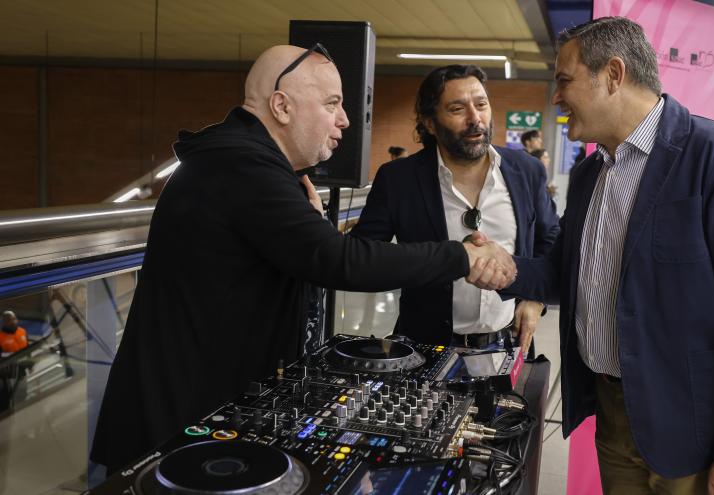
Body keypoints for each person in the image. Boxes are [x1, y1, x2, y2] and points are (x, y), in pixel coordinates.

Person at [90, 44, 515, 475]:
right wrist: (460, 255)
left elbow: (305, 256)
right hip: (176, 425)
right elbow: (336, 260)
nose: (346, 119)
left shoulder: (252, 164)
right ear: (281, 106)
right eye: (332, 103)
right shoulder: (242, 165)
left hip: (204, 410)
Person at [476, 17, 714, 494]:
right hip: (614, 419)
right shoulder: (590, 175)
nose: (557, 97)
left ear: (614, 74)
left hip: (696, 431)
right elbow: (570, 275)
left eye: (564, 80)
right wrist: (507, 268)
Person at [351, 65, 558, 353]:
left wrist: (535, 300)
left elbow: (550, 243)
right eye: (458, 109)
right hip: (424, 348)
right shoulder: (399, 179)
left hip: (507, 344)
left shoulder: (527, 170)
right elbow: (363, 259)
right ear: (430, 124)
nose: (475, 119)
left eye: (482, 105)